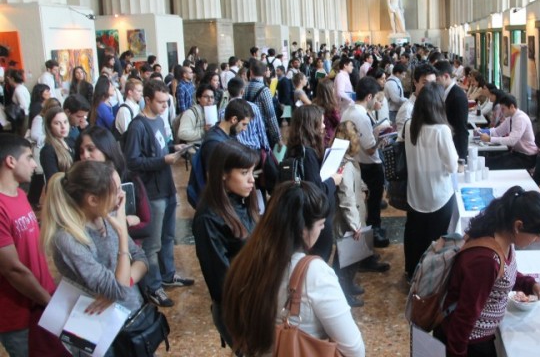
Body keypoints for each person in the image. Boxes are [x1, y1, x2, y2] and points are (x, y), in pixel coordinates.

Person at [222, 181, 366, 357]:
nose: (322, 230)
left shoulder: (245, 262)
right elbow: (354, 350)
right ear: (302, 230)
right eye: (321, 224)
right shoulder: (315, 273)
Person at [41, 161, 150, 356]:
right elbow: (118, 289)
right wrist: (123, 236)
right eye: (116, 190)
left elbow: (141, 259)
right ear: (92, 200)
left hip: (130, 318)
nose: (122, 195)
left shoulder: (107, 216)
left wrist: (127, 281)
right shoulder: (68, 238)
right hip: (98, 330)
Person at [435, 186, 540, 357]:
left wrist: (532, 285)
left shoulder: (502, 237)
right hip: (470, 343)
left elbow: (503, 276)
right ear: (518, 226)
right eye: (537, 234)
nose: (539, 240)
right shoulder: (485, 260)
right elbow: (465, 316)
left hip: (478, 336)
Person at [123, 79, 194, 308]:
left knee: (168, 236)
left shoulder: (159, 119)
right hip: (151, 191)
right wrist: (162, 160)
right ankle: (154, 286)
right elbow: (132, 161)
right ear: (147, 100)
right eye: (160, 102)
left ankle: (168, 273)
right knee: (152, 244)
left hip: (167, 186)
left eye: (166, 101)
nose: (165, 106)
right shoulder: (137, 126)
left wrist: (174, 149)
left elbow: (163, 144)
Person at [0, 134, 67, 356]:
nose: (33, 164)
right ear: (10, 161)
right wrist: (47, 300)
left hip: (41, 302)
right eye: (29, 157)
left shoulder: (19, 194)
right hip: (18, 313)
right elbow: (12, 269)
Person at [192, 140, 260, 349]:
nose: (251, 180)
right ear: (223, 173)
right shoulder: (209, 218)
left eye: (252, 172)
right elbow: (220, 281)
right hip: (237, 309)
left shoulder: (242, 201)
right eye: (243, 173)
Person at [403, 82, 458, 279]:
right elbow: (452, 166)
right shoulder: (441, 130)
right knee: (435, 239)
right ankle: (430, 278)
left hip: (415, 192)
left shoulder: (410, 126)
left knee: (414, 235)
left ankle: (412, 272)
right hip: (438, 195)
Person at [286, 105, 343, 262]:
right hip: (315, 217)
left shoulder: (293, 148)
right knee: (319, 257)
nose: (324, 126)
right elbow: (317, 191)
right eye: (321, 122)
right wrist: (333, 180)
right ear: (311, 125)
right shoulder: (308, 154)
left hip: (304, 215)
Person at [76, 126, 151, 244]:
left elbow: (147, 226)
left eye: (91, 149)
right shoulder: (77, 186)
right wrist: (124, 223)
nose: (85, 155)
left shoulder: (130, 179)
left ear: (106, 149)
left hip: (131, 250)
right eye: (81, 151)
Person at [341, 77, 390, 250]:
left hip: (357, 161)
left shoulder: (348, 111)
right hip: (368, 163)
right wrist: (381, 140)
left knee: (366, 201)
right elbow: (370, 149)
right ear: (369, 97)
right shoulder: (360, 115)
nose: (377, 102)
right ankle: (374, 231)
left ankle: (372, 229)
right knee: (373, 201)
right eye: (376, 98)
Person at [332, 121, 366, 307]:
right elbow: (346, 197)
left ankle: (349, 284)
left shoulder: (347, 161)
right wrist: (355, 224)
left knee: (350, 258)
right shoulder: (343, 165)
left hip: (353, 217)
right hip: (347, 222)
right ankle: (343, 292)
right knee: (343, 260)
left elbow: (355, 184)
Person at [479, 94, 538, 170]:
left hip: (527, 157)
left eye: (503, 109)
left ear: (512, 107)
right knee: (489, 161)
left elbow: (511, 141)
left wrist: (490, 139)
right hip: (517, 153)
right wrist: (482, 131)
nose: (502, 111)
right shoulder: (510, 118)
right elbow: (497, 131)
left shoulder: (520, 119)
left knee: (492, 164)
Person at [435, 60, 469, 161]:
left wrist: (461, 159)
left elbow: (462, 130)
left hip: (455, 149)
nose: (435, 83)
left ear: (446, 76)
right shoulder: (446, 92)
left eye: (437, 79)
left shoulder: (457, 97)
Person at [396, 63, 438, 139]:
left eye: (433, 83)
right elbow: (402, 140)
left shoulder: (432, 104)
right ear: (415, 83)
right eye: (425, 83)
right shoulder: (407, 109)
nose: (430, 87)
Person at [39, 106, 74, 181]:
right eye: (57, 123)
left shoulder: (71, 142)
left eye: (65, 122)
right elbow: (53, 181)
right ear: (49, 127)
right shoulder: (48, 151)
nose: (63, 126)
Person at [313, 78, 341, 146]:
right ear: (330, 91)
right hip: (329, 138)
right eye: (333, 88)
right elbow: (338, 123)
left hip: (317, 136)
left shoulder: (314, 103)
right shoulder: (331, 107)